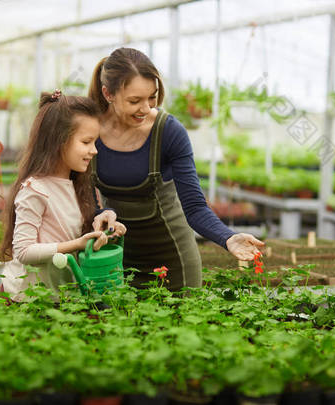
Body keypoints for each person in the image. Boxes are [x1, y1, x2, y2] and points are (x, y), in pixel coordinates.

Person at [87, 47, 264, 291]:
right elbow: (81, 194)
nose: (146, 108)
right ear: (108, 94)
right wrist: (100, 213)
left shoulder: (168, 131)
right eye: (134, 101)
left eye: (152, 97)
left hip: (172, 260)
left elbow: (194, 206)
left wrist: (227, 237)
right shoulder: (88, 130)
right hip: (115, 258)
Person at [0, 90, 126, 301]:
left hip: (61, 295)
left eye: (95, 142)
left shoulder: (79, 185)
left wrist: (104, 233)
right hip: (28, 299)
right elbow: (23, 251)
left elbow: (74, 234)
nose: (94, 150)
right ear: (58, 141)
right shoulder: (35, 190)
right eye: (86, 142)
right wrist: (76, 244)